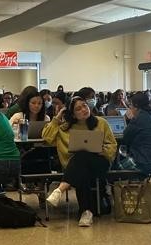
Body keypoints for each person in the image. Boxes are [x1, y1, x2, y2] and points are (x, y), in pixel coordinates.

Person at [44, 96, 118, 227]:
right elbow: (47, 137)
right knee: (82, 166)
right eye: (78, 109)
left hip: (100, 162)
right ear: (72, 114)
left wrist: (101, 150)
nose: (84, 109)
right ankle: (86, 212)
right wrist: (57, 117)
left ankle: (60, 190)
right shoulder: (65, 128)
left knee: (81, 156)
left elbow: (112, 145)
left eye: (84, 105)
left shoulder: (101, 122)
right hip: (77, 168)